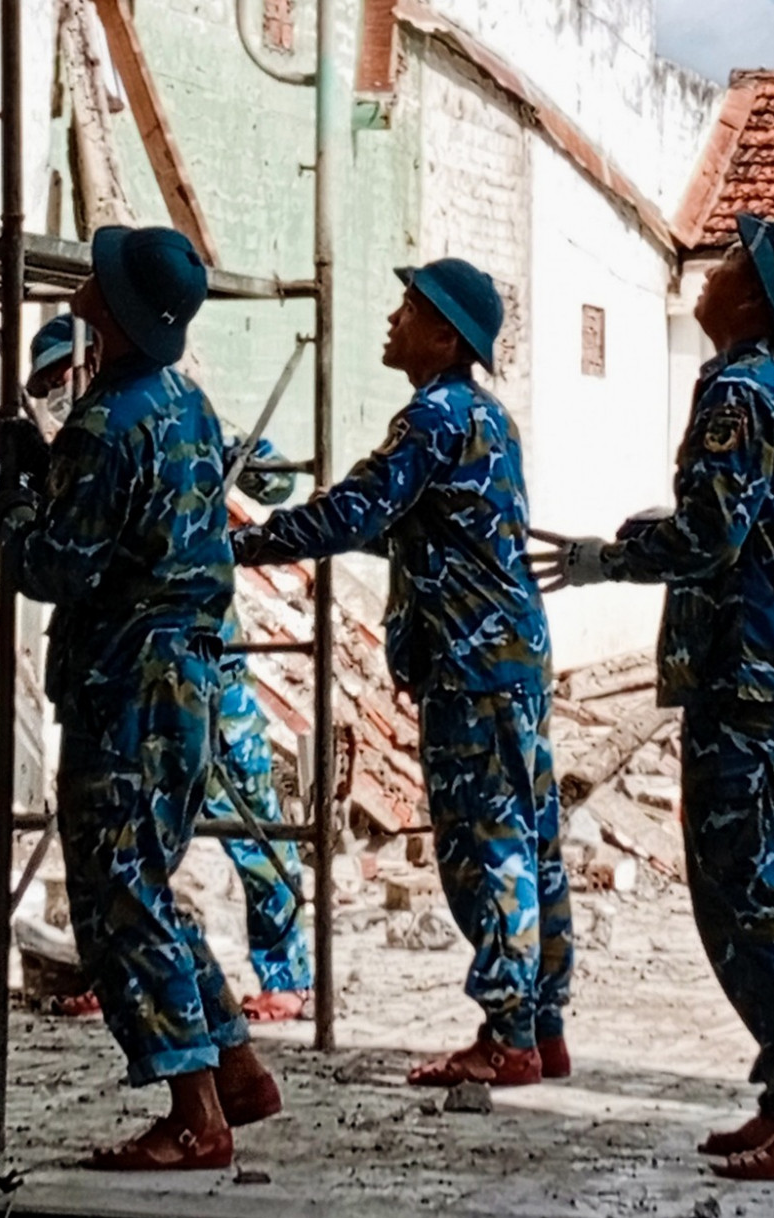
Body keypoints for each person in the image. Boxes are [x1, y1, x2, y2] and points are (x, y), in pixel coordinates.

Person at [0, 315, 314, 1021]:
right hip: (119, 671)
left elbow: (269, 481)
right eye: (47, 385)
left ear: (91, 362)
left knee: (248, 816)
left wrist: (246, 457)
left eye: (63, 376)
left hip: (195, 658)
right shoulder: (75, 454)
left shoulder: (165, 422)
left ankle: (283, 976)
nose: (57, 393)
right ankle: (139, 981)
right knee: (121, 845)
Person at [531, 215, 774, 1180]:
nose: (710, 272)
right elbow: (757, 527)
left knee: (744, 897)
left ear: (755, 298)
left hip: (752, 684)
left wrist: (606, 557)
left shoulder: (739, 392)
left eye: (731, 263)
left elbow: (711, 539)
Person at [233, 259, 572, 1088]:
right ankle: (541, 1023)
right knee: (530, 838)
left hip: (472, 664)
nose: (393, 319)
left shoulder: (432, 418)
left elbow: (359, 511)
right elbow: (418, 528)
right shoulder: (486, 419)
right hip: (508, 659)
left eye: (409, 309)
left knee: (486, 845)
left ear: (446, 337)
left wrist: (241, 540)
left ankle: (509, 1036)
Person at [0, 225, 280, 1171]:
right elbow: (133, 521)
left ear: (114, 309)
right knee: (145, 882)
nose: (82, 288)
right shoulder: (183, 405)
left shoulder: (107, 422)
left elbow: (57, 565)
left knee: (117, 898)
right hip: (182, 682)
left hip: (123, 685)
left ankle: (195, 1113)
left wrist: (14, 505)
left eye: (96, 282)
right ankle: (234, 1064)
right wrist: (44, 463)